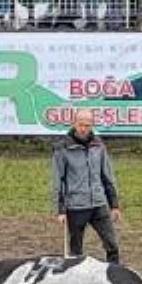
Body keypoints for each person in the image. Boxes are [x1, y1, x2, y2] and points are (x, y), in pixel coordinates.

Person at [52, 109, 122, 264]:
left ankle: (114, 277)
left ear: (92, 126)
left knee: (113, 245)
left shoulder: (99, 145)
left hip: (99, 204)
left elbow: (107, 176)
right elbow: (59, 180)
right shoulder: (62, 148)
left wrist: (114, 205)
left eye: (87, 125)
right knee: (76, 252)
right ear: (74, 124)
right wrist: (61, 210)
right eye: (81, 125)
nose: (83, 129)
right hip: (75, 207)